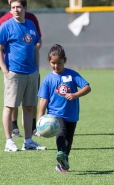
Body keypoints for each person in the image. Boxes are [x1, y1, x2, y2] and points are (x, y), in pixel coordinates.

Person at [0, 0, 46, 151]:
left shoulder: (30, 25)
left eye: (19, 7)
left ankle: (28, 141)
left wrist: (37, 70)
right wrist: (5, 70)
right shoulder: (6, 26)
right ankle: (9, 141)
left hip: (31, 73)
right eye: (13, 7)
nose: (16, 10)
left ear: (25, 9)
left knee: (29, 107)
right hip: (14, 73)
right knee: (9, 107)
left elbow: (35, 48)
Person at [37, 44, 91, 172]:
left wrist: (75, 94)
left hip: (71, 114)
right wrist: (40, 118)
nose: (56, 66)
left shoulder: (72, 75)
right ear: (49, 62)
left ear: (64, 61)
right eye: (53, 63)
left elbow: (87, 87)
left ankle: (62, 162)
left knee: (68, 140)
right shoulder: (48, 79)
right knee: (60, 132)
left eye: (59, 63)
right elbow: (44, 99)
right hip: (55, 114)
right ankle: (61, 156)